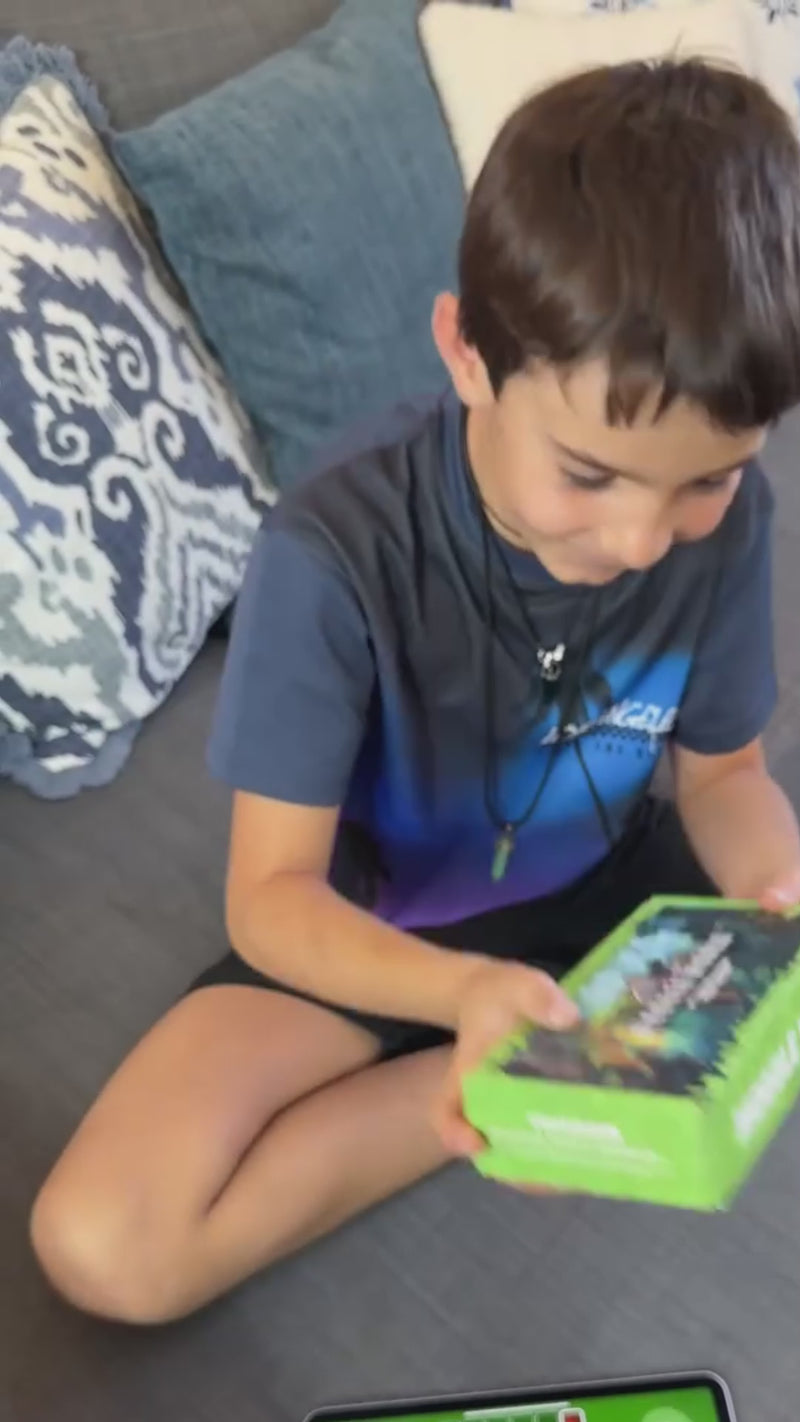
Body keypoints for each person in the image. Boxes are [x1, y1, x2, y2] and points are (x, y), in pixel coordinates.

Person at [31, 59, 800, 1325]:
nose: (640, 540)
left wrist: (774, 904)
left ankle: (541, 1069)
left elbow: (722, 774)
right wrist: (464, 1006)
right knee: (105, 1242)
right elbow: (270, 899)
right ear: (465, 353)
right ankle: (517, 1078)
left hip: (618, 911)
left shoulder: (730, 525)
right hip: (385, 936)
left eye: (704, 480)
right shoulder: (329, 556)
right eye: (587, 474)